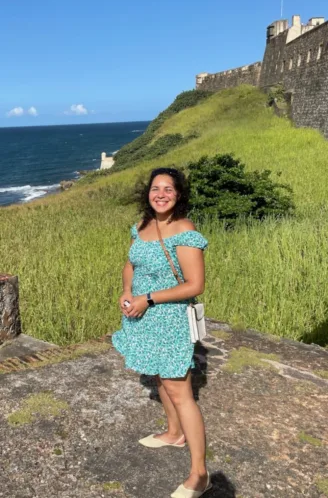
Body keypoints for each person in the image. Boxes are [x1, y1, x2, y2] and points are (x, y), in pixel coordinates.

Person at [112, 167, 211, 498]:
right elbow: (131, 263)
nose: (161, 194)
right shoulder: (142, 226)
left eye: (169, 189)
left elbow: (194, 284)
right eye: (156, 188)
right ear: (148, 193)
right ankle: (173, 433)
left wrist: (148, 298)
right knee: (157, 376)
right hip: (141, 315)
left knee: (180, 390)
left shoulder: (184, 230)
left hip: (168, 319)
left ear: (179, 194)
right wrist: (127, 290)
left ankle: (200, 473)